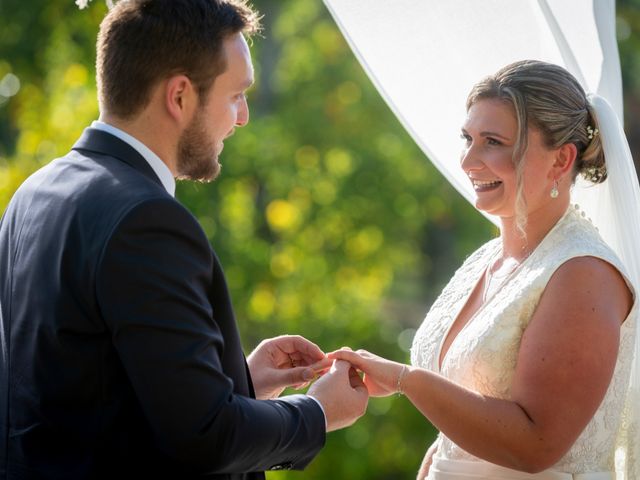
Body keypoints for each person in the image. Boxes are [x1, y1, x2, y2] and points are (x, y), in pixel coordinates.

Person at [0, 0, 369, 478]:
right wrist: (317, 414)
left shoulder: (37, 190)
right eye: (236, 95)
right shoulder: (146, 219)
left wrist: (238, 384)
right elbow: (206, 437)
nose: (243, 118)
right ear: (179, 96)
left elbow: (82, 395)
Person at [332, 60, 639, 479]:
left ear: (561, 160)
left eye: (493, 142)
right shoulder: (485, 259)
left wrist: (406, 380)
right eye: (467, 138)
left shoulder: (583, 273)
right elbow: (466, 429)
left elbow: (536, 444)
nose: (468, 161)